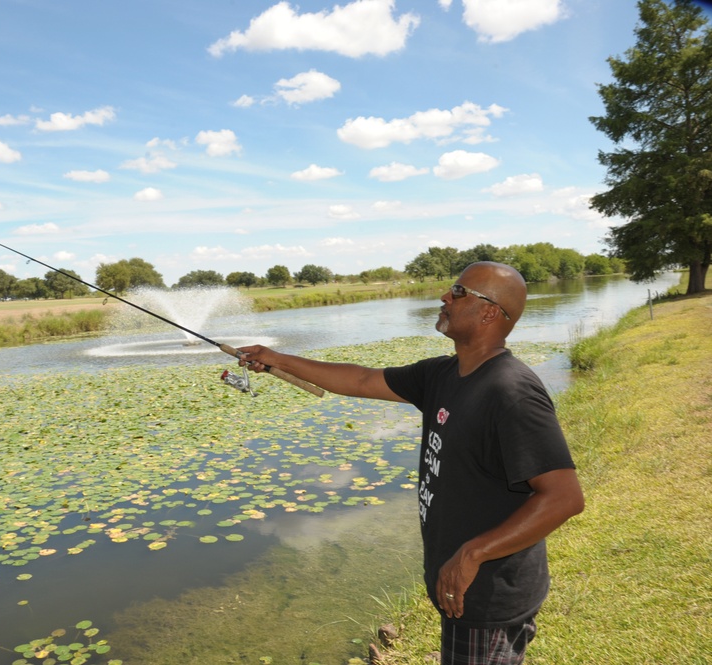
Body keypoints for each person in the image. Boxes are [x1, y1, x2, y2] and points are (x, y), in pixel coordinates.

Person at [238, 261, 584, 665]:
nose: (444, 297)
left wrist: (472, 553)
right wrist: (276, 359)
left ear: (489, 312)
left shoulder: (511, 391)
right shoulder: (443, 373)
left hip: (488, 591)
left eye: (458, 291)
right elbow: (362, 380)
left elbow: (564, 497)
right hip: (462, 586)